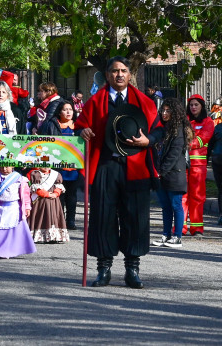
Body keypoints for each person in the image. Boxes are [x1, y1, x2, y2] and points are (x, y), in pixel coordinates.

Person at [75, 56, 163, 289]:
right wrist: (82, 130)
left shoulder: (145, 101)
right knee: (103, 216)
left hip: (136, 168)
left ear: (130, 74)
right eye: (115, 71)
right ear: (107, 75)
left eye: (124, 70)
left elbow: (159, 130)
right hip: (105, 166)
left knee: (135, 218)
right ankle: (103, 269)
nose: (120, 75)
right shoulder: (95, 101)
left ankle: (132, 270)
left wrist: (149, 140)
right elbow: (80, 125)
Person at [151, 98, 191, 248]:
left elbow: (174, 154)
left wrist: (161, 170)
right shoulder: (164, 128)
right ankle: (165, 234)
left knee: (176, 205)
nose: (164, 113)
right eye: (163, 110)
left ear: (175, 112)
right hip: (163, 174)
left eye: (168, 110)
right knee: (165, 206)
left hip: (174, 174)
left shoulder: (179, 129)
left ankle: (177, 237)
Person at [0, 166, 37, 259]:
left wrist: (27, 207)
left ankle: (8, 251)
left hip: (14, 208)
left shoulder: (19, 178)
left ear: (12, 166)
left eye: (7, 166)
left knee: (11, 232)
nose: (4, 169)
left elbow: (26, 194)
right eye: (2, 167)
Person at [41, 100, 80, 229]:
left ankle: (71, 220)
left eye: (70, 109)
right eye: (65, 109)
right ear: (59, 112)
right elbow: (45, 142)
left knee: (72, 195)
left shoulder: (78, 125)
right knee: (59, 194)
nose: (68, 112)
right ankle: (60, 219)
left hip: (73, 167)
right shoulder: (52, 124)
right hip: (58, 167)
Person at [184, 94, 214, 233]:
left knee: (197, 195)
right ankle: (180, 227)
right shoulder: (184, 120)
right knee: (182, 196)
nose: (193, 107)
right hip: (182, 164)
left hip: (198, 165)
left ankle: (196, 227)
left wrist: (187, 144)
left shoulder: (208, 122)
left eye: (196, 104)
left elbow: (204, 138)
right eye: (191, 105)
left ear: (202, 106)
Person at [28, 167, 69, 243]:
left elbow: (58, 186)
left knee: (53, 215)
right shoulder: (36, 174)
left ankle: (54, 236)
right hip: (40, 201)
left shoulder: (56, 174)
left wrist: (55, 194)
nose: (46, 167)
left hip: (53, 201)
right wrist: (46, 194)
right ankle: (40, 236)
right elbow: (36, 188)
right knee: (41, 216)